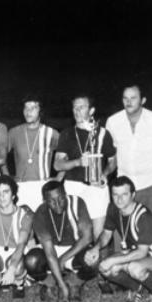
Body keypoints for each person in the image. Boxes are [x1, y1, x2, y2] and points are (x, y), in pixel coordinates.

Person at [84, 176, 152, 302]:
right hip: (134, 254)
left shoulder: (143, 216)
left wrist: (114, 261)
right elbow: (107, 233)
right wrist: (95, 248)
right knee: (105, 268)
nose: (119, 199)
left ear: (133, 195)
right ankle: (136, 287)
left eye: (124, 194)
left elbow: (142, 252)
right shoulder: (113, 208)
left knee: (134, 268)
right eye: (115, 195)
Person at [106, 85, 152, 229]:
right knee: (126, 231)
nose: (128, 102)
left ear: (143, 100)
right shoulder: (113, 122)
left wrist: (148, 162)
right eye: (125, 98)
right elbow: (114, 154)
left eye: (133, 98)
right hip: (124, 186)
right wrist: (105, 173)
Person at [54, 95, 116, 240]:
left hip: (96, 188)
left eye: (81, 107)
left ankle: (100, 261)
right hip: (74, 187)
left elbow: (113, 161)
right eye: (75, 107)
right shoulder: (67, 133)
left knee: (100, 235)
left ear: (91, 110)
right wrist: (77, 162)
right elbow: (57, 165)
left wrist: (105, 174)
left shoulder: (102, 133)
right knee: (78, 235)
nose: (77, 111)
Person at [31, 181, 97, 302]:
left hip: (74, 249)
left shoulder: (77, 203)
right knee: (31, 261)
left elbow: (87, 238)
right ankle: (50, 284)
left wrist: (63, 259)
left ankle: (74, 282)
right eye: (52, 201)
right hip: (52, 251)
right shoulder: (40, 212)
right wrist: (62, 286)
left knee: (94, 260)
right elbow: (50, 252)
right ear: (45, 200)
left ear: (65, 194)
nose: (58, 204)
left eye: (61, 198)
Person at [8, 95, 61, 212]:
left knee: (42, 227)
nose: (28, 111)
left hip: (43, 186)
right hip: (20, 187)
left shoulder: (51, 133)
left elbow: (66, 155)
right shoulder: (14, 132)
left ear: (40, 111)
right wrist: (8, 178)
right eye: (26, 108)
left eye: (33, 108)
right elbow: (0, 157)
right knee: (22, 226)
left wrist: (58, 178)